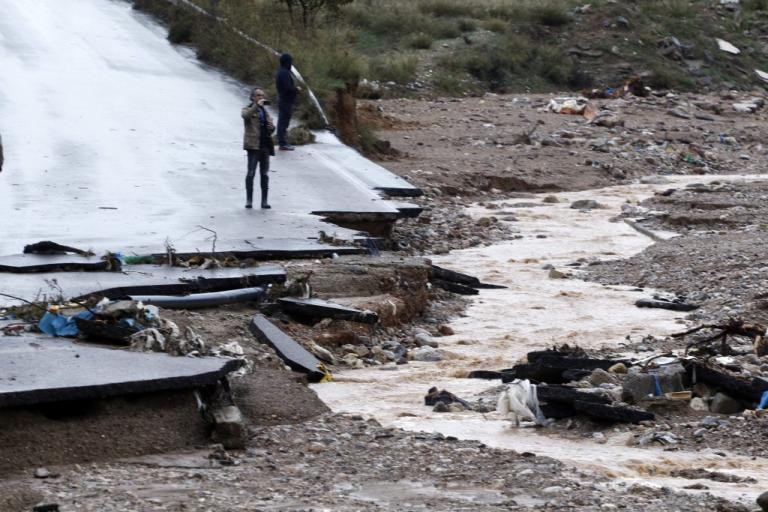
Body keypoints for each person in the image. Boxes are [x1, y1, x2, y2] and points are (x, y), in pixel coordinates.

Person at [241, 87, 275, 209]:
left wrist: (271, 126)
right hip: (253, 146)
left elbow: (271, 127)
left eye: (262, 95)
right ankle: (249, 200)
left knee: (264, 174)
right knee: (251, 173)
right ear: (253, 97)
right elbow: (245, 116)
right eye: (259, 95)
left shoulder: (265, 112)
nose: (261, 97)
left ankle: (264, 201)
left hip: (265, 146)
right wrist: (256, 106)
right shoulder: (248, 109)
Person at [275, 53, 300, 151]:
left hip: (284, 100)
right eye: (290, 62)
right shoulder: (284, 73)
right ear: (287, 62)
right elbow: (288, 88)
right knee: (283, 122)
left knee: (284, 121)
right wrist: (296, 89)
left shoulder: (281, 72)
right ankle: (282, 143)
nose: (291, 64)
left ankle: (283, 142)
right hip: (285, 100)